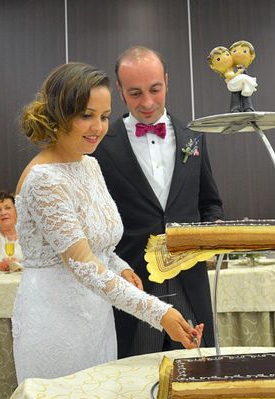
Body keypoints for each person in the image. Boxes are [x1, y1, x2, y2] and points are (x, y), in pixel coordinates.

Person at [12, 62, 203, 382]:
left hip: (96, 317)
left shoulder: (90, 165)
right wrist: (160, 313)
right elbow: (83, 263)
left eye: (103, 116)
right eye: (86, 115)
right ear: (60, 114)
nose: (98, 127)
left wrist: (120, 266)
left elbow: (98, 246)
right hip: (54, 320)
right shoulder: (43, 179)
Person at [95, 46, 224, 359]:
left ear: (166, 81)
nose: (148, 102)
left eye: (155, 89)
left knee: (198, 366)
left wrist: (215, 236)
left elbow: (210, 202)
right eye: (136, 93)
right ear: (120, 91)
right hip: (133, 282)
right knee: (133, 374)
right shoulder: (101, 145)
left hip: (189, 278)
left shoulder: (193, 136)